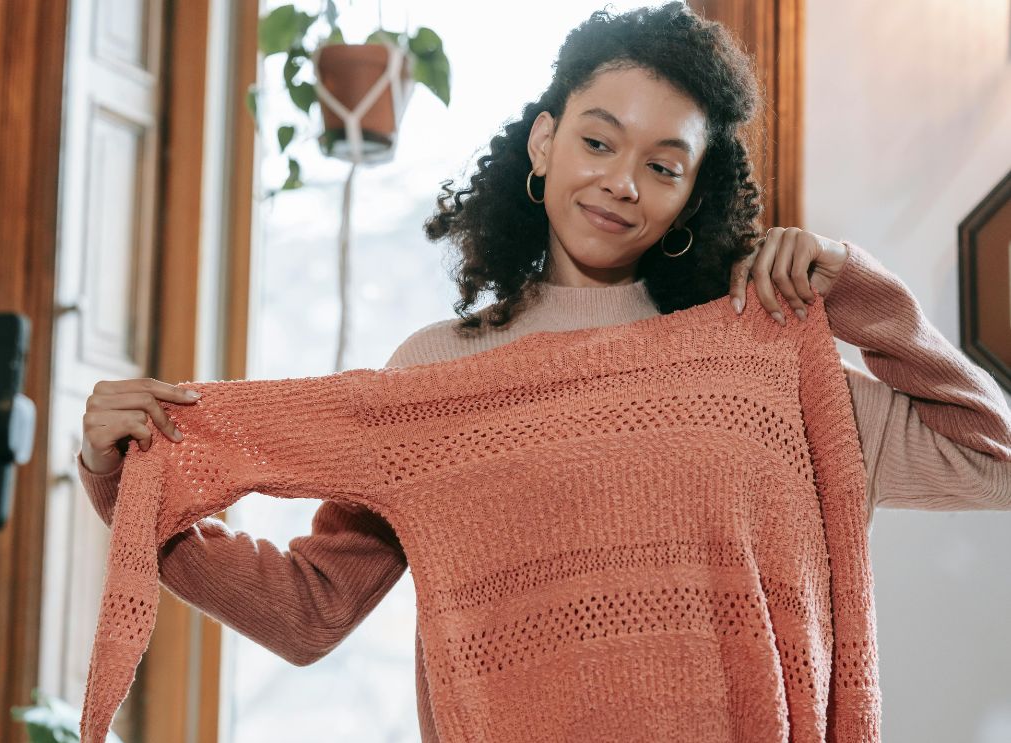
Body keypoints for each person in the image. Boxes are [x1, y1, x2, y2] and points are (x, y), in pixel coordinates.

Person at [78, 3, 1011, 739]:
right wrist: (126, 484)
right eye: (598, 142)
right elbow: (308, 612)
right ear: (543, 143)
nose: (621, 182)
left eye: (663, 165)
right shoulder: (436, 377)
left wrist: (855, 285)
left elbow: (991, 457)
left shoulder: (756, 367)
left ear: (694, 192)